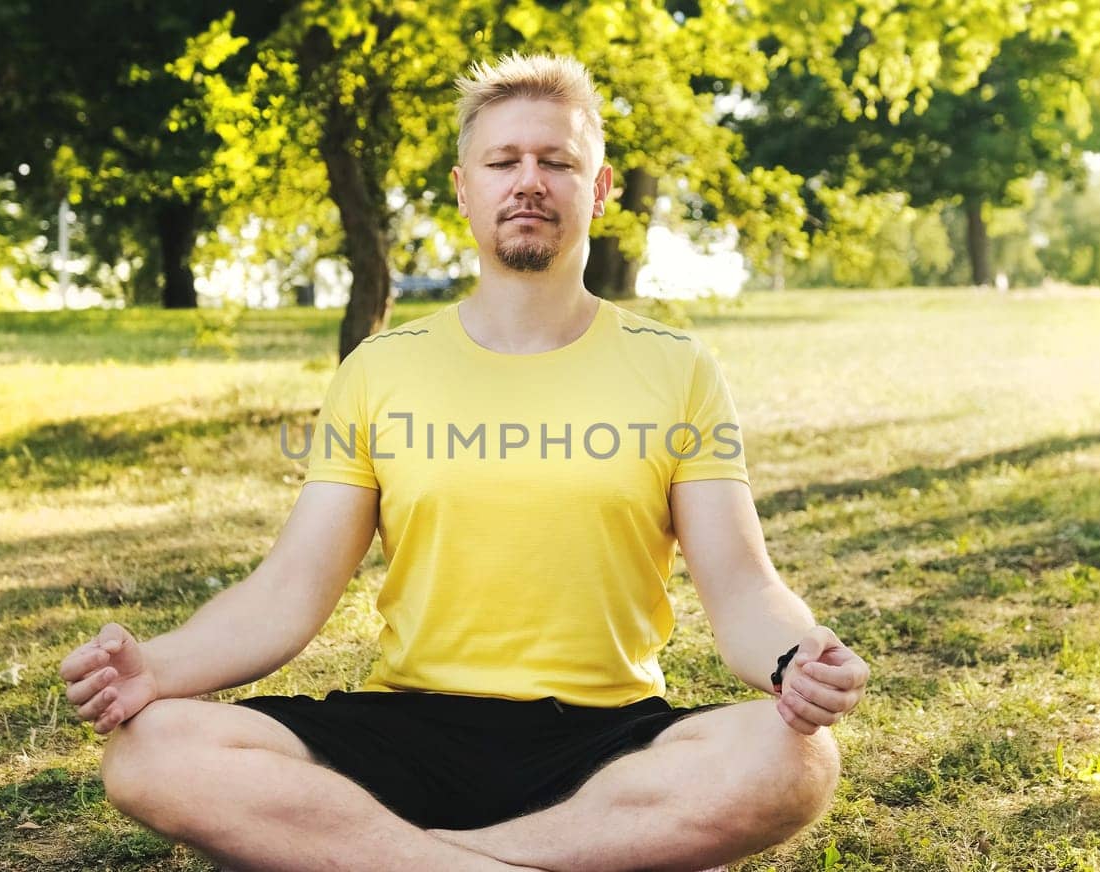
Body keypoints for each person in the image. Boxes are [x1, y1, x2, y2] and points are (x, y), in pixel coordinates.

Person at [60, 53, 869, 872]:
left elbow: (741, 587)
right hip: (406, 730)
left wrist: (795, 656)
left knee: (793, 759)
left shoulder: (678, 369)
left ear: (598, 189)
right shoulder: (380, 368)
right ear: (463, 187)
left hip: (603, 738)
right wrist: (155, 667)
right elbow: (287, 593)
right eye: (503, 161)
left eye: (556, 162)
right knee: (149, 748)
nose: (529, 181)